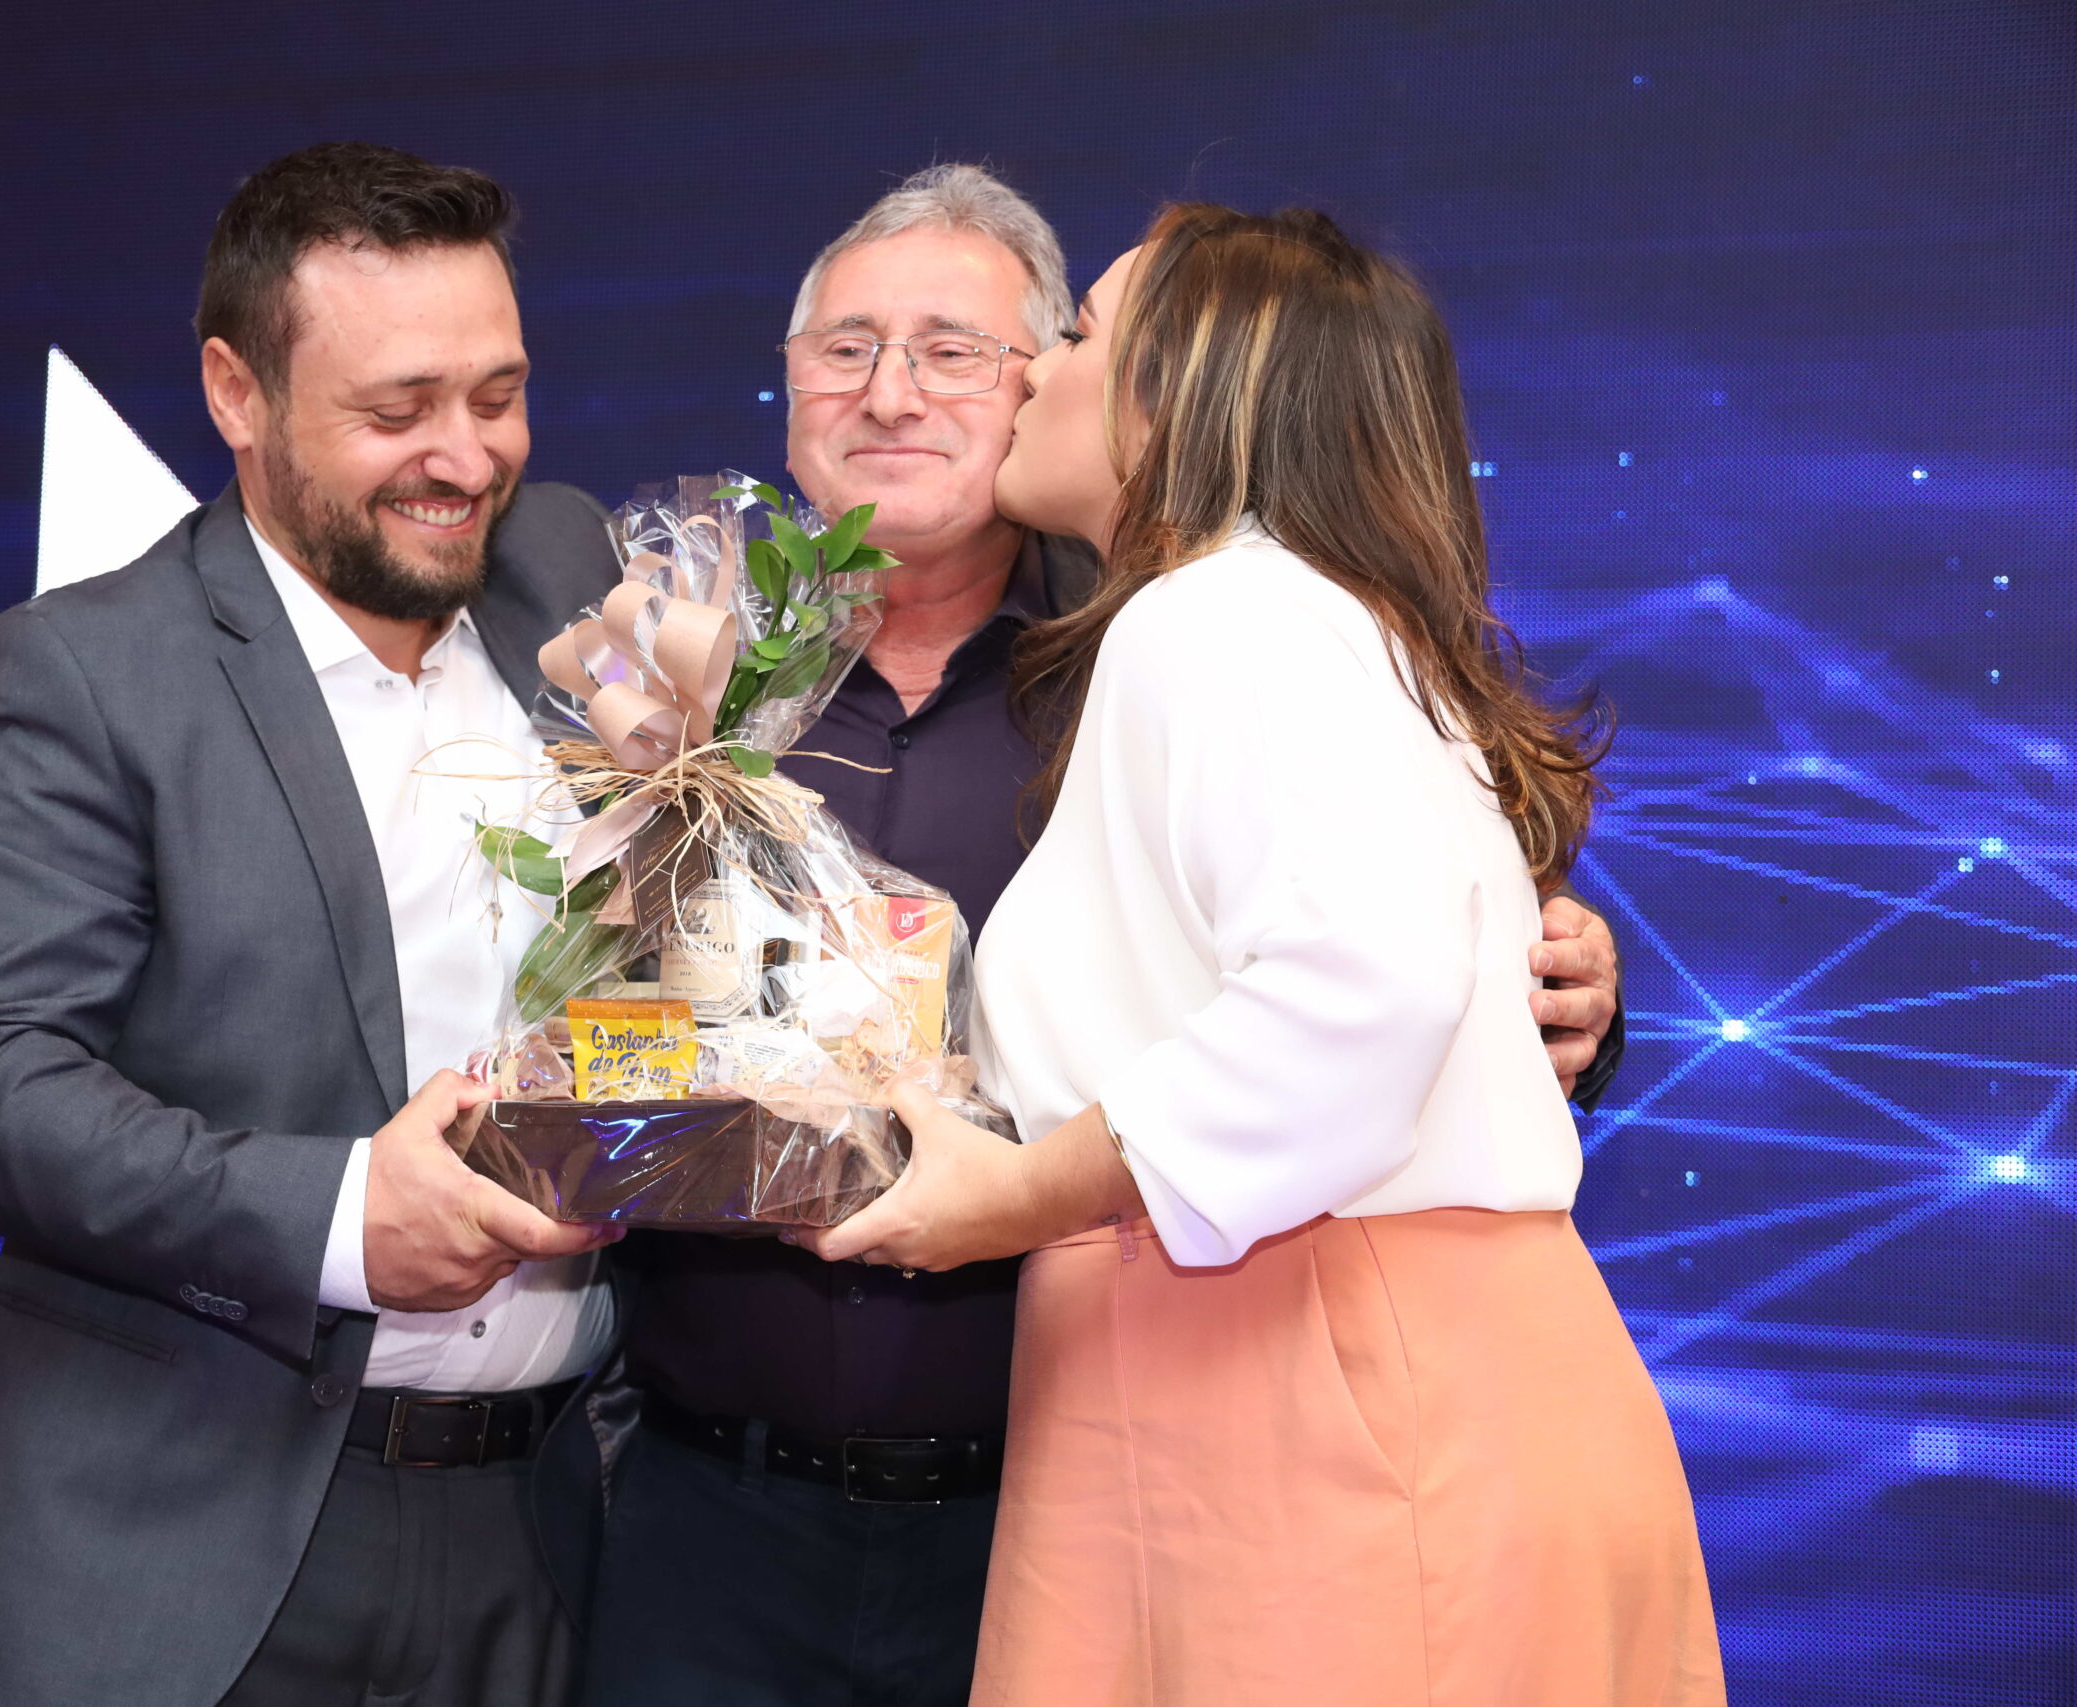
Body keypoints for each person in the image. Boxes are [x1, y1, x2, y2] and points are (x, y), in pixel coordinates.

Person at [583, 170, 1638, 1707]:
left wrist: (1015, 1193)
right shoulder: (688, 669)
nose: (998, 391)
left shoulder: (1207, 621)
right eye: (847, 349)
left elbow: (1375, 984)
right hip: (854, 1483)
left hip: (1307, 1386)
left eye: (1046, 343)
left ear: (1179, 402)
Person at [0, 143, 631, 1707]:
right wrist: (340, 1220)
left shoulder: (569, 571)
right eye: (397, 410)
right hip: (197, 1551)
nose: (466, 458)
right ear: (237, 392)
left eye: (498, 396)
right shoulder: (78, 676)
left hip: (556, 1538)